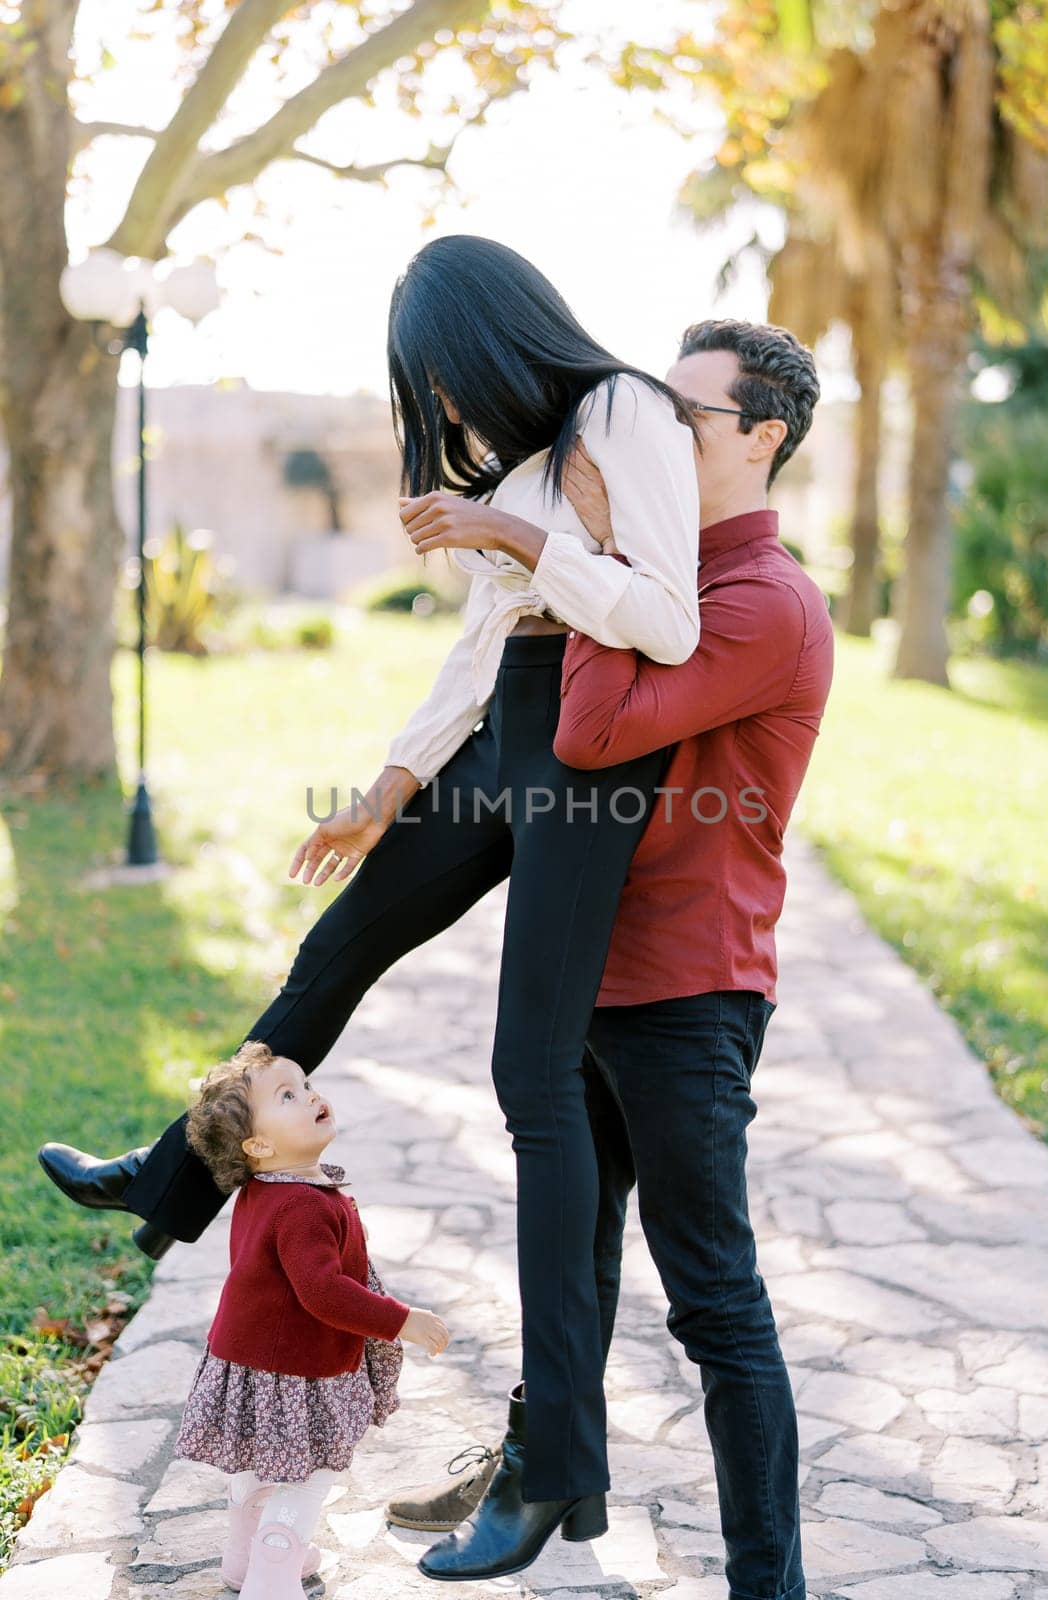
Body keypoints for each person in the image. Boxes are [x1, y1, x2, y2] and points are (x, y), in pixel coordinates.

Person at [38, 235, 703, 1575]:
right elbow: (474, 656)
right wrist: (383, 794)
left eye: (444, 382)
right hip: (501, 734)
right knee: (331, 949)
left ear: (495, 338)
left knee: (533, 1080)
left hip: (595, 751)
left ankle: (557, 1456)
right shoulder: (524, 461)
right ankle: (167, 1185)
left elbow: (667, 624)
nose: (445, 412)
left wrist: (514, 535)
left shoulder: (626, 411)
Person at [386, 319, 832, 1600]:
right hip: (585, 974)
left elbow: (584, 731)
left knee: (713, 1303)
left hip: (685, 996)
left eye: (683, 419)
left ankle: (767, 1583)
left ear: (760, 437)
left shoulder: (763, 602)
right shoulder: (652, 572)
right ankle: (542, 1486)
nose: (642, 435)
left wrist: (564, 550)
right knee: (564, 1262)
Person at [170, 1041, 449, 1599]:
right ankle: (275, 1568)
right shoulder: (303, 1206)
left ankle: (244, 1555)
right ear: (259, 1144)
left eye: (305, 1084)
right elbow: (323, 1293)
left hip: (246, 1358)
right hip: (302, 1370)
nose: (311, 1095)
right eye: (288, 1095)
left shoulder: (263, 1190)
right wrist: (401, 1321)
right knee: (311, 1470)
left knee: (254, 1459)